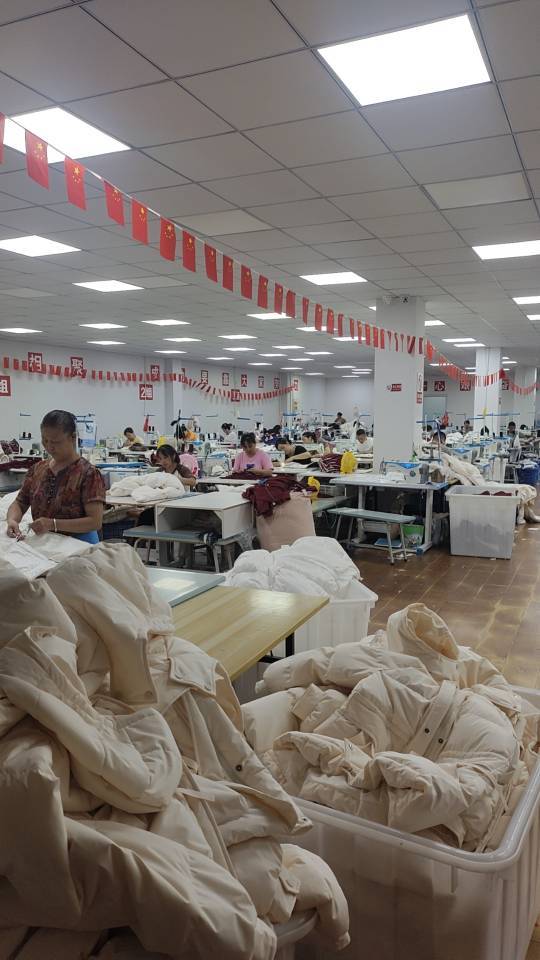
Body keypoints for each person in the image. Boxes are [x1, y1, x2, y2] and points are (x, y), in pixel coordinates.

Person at [7, 409, 105, 544]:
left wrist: (53, 524)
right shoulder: (37, 469)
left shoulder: (88, 473)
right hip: (45, 543)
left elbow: (95, 521)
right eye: (45, 440)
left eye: (56, 442)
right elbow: (20, 502)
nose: (49, 447)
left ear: (73, 437)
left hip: (79, 544)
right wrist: (12, 520)